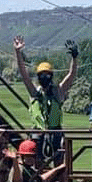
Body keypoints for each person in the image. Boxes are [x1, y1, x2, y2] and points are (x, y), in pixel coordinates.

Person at [14, 36, 78, 166]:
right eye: (41, 75)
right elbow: (23, 74)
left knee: (59, 165)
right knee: (38, 165)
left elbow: (71, 76)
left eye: (47, 75)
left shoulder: (57, 91)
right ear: (38, 77)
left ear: (51, 76)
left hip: (56, 133)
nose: (44, 77)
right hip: (37, 134)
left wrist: (74, 58)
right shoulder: (34, 92)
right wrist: (18, 52)